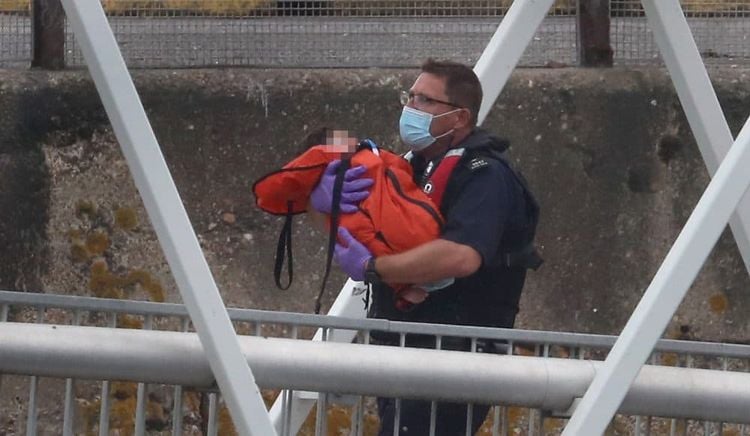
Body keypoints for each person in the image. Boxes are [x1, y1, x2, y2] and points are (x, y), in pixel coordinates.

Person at [310, 59, 541, 435]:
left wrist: (375, 269)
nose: (411, 108)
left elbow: (462, 256)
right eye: (411, 97)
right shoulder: (408, 168)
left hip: (456, 356)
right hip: (401, 346)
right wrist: (320, 202)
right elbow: (356, 238)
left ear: (459, 118)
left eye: (425, 101)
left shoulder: (485, 175)